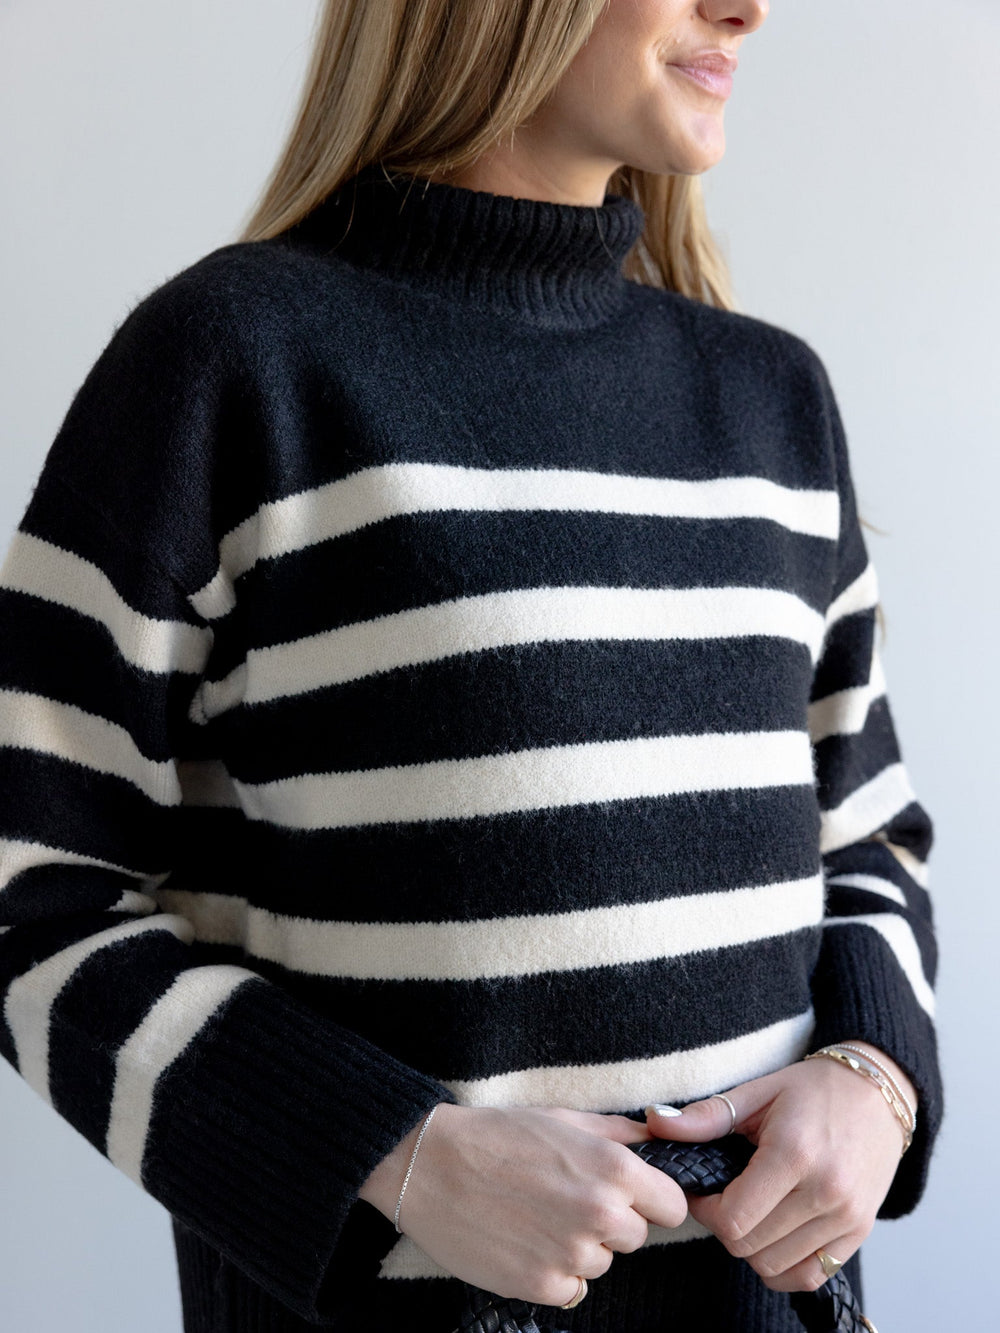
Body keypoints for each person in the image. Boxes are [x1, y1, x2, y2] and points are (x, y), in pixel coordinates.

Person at [0, 2, 941, 1331]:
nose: (751, 6)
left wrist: (873, 1074)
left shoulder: (773, 399)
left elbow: (869, 837)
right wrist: (398, 1151)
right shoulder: (236, 361)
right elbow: (32, 888)